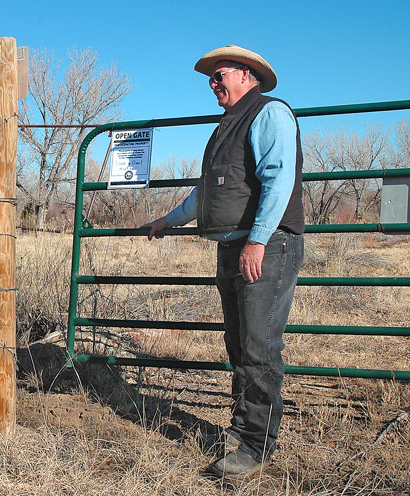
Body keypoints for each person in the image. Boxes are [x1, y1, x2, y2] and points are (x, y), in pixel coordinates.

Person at [143, 45, 304, 478]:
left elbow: (278, 178)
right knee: (238, 344)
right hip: (233, 247)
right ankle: (242, 427)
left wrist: (258, 240)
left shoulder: (269, 114)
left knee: (258, 346)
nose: (213, 84)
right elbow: (206, 194)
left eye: (220, 75)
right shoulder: (225, 128)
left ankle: (255, 446)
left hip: (264, 249)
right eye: (210, 79)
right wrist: (167, 220)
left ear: (247, 75)